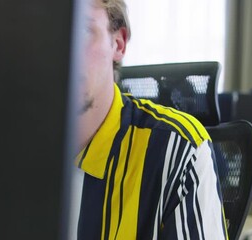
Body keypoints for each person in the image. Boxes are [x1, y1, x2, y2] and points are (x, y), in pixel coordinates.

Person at [70, 0, 228, 239]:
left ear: (118, 43)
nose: (61, 52)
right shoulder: (5, 144)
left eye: (82, 30)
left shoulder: (179, 150)